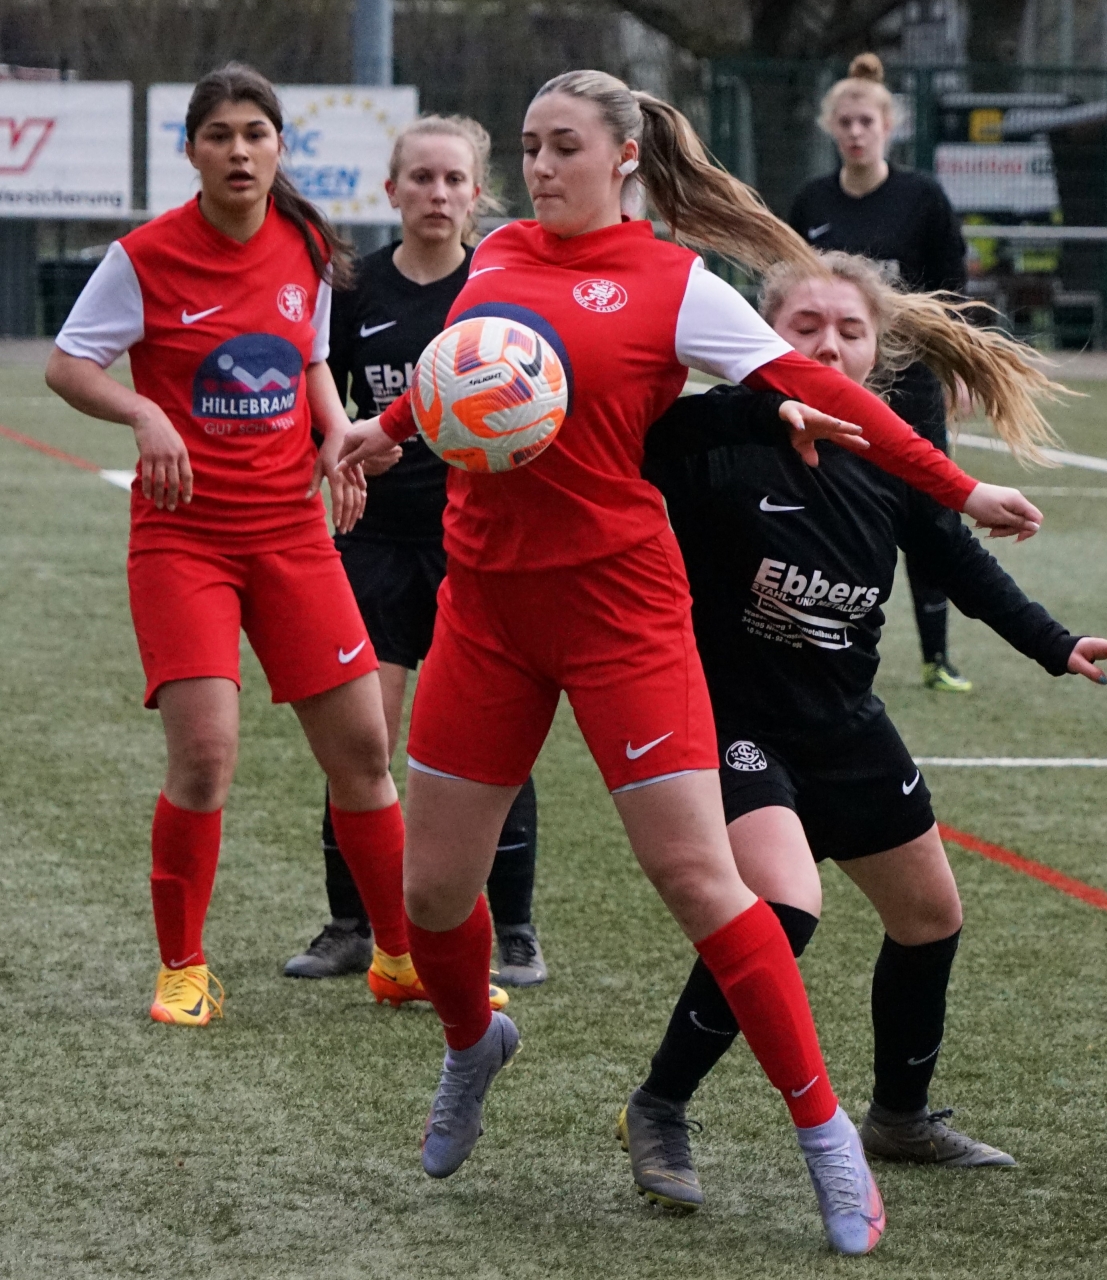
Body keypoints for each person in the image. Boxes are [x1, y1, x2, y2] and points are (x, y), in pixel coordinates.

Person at [334, 69, 1043, 1256]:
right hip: (488, 607)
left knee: (705, 882)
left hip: (621, 609)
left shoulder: (677, 285)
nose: (540, 166)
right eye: (530, 145)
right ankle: (472, 1043)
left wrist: (961, 487)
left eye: (564, 146)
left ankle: (825, 1132)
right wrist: (386, 426)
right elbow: (471, 375)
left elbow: (817, 386)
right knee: (432, 894)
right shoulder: (496, 254)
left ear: (624, 157)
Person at [620, 249, 1107, 1209]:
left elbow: (955, 560)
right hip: (734, 719)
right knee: (785, 905)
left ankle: (899, 1118)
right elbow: (615, 468)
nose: (828, 346)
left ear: (877, 350)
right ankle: (659, 1105)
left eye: (850, 331)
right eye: (805, 328)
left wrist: (1057, 643)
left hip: (846, 725)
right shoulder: (708, 435)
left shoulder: (886, 449)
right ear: (764, 337)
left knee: (929, 917)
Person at [43, 64, 427, 1026]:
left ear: (279, 147)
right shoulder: (143, 257)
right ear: (191, 151)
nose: (240, 151)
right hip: (184, 542)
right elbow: (67, 364)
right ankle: (181, 967)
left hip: (291, 535)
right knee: (207, 757)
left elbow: (309, 361)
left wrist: (335, 439)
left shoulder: (306, 242)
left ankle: (398, 959)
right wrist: (144, 413)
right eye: (219, 135)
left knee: (364, 752)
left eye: (256, 133)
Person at [286, 114, 547, 990]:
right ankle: (351, 924)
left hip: (477, 546)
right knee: (360, 743)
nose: (437, 194)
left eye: (453, 180)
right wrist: (343, 447)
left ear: (478, 194)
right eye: (422, 178)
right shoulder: (354, 287)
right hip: (373, 543)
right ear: (392, 189)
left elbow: (543, 399)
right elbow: (320, 395)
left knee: (495, 741)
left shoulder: (501, 285)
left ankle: (515, 929)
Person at [788, 52, 977, 694]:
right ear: (831, 128)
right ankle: (811, 647)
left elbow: (954, 294)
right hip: (831, 385)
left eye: (866, 121)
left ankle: (936, 657)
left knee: (929, 511)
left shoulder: (922, 199)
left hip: (911, 380)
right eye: (845, 122)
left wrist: (959, 370)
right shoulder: (811, 202)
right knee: (824, 510)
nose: (855, 132)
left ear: (887, 126)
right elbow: (789, 293)